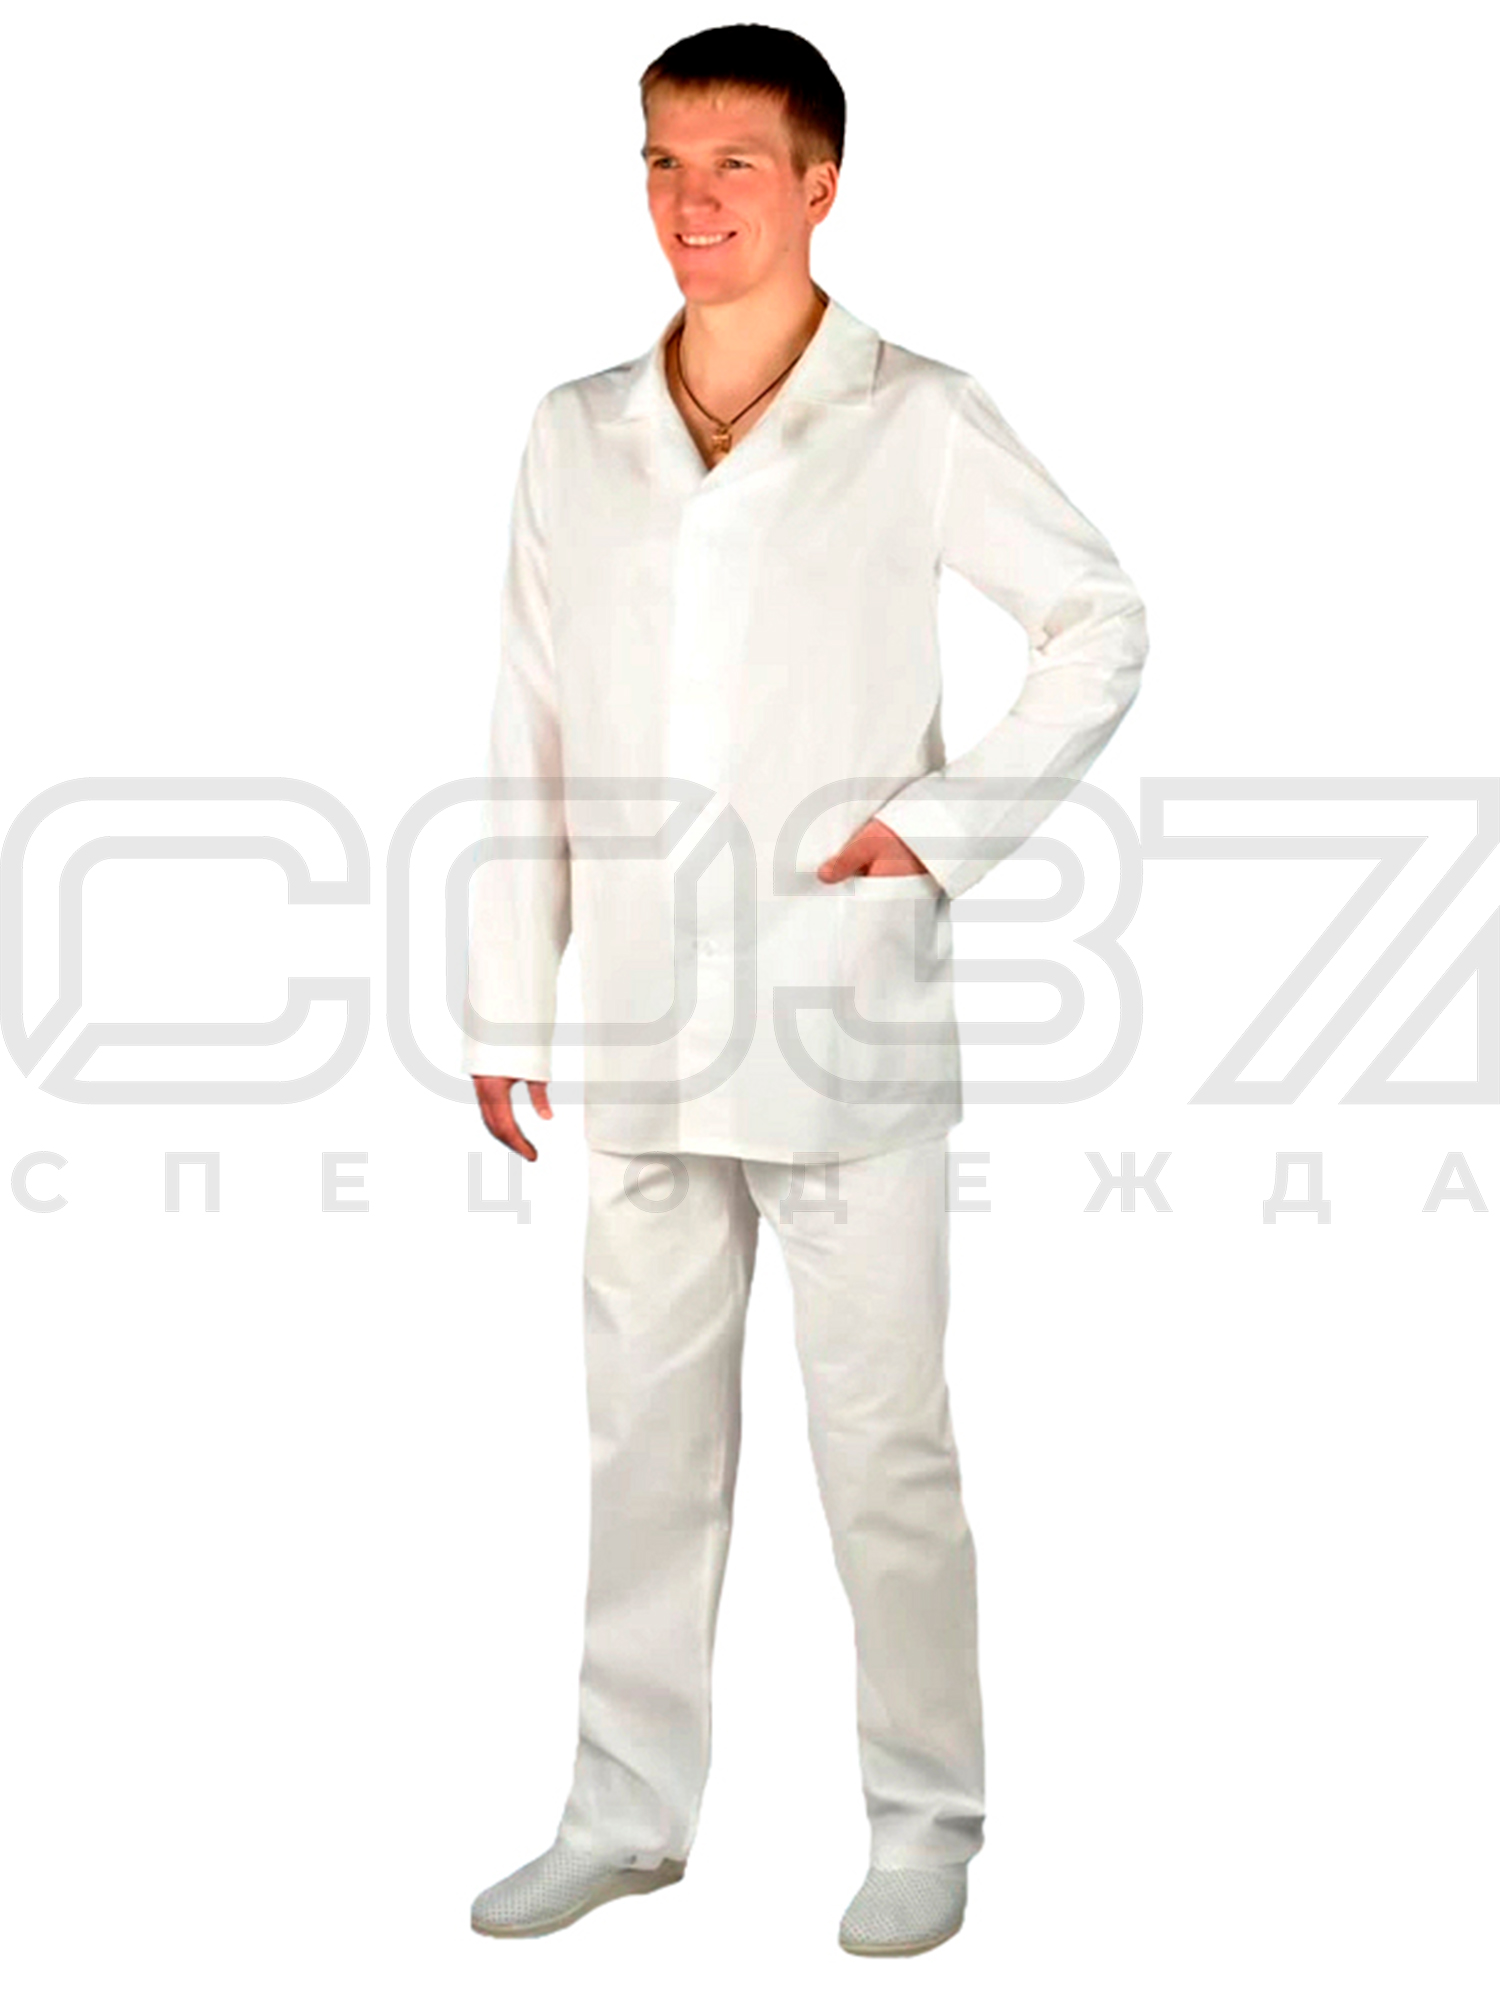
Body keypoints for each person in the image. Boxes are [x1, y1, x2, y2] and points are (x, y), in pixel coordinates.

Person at [464, 24, 1148, 1958]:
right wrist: (506, 1004)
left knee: (886, 1452)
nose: (694, 203)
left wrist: (939, 829)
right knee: (641, 1444)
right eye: (663, 164)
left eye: (736, 165)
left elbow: (1099, 621)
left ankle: (925, 1819)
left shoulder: (914, 413)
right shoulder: (572, 431)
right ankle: (624, 1812)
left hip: (843, 1015)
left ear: (821, 183)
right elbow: (526, 727)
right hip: (635, 1021)